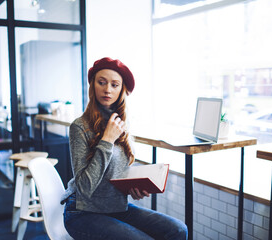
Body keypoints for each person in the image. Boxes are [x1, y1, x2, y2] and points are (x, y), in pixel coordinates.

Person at [61, 57, 188, 240]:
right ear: (93, 85)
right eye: (102, 82)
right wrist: (107, 140)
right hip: (82, 211)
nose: (107, 89)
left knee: (177, 230)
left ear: (122, 90)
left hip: (117, 207)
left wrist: (131, 188)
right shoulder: (79, 126)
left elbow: (116, 173)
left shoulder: (123, 123)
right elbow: (84, 188)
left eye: (115, 85)